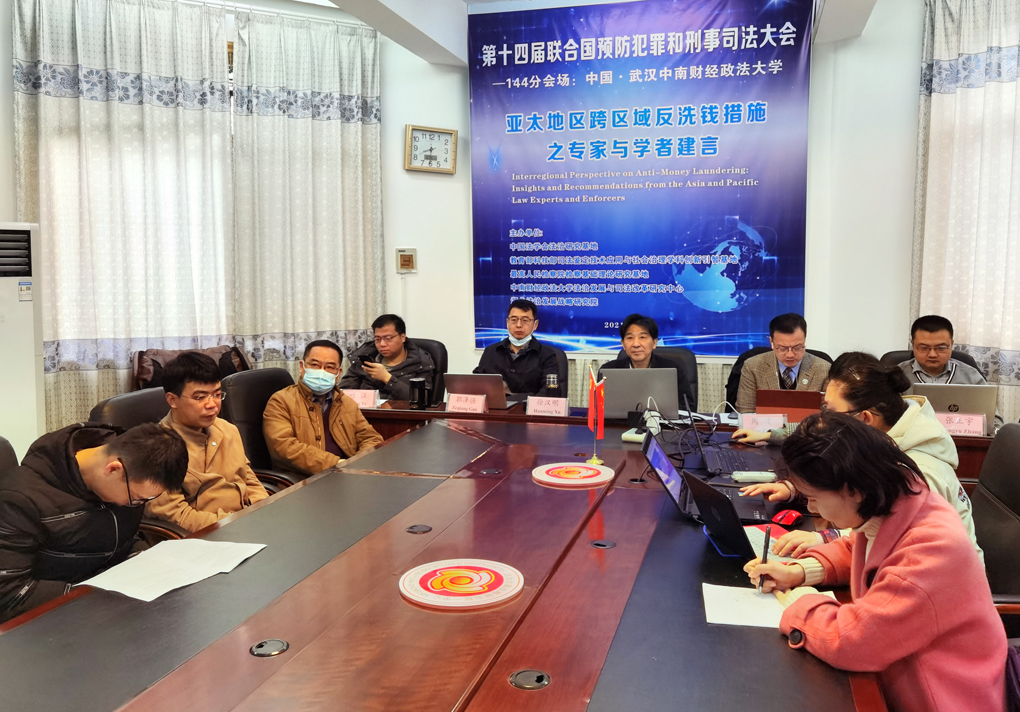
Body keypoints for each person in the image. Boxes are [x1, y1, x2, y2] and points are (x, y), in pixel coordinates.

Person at [744, 412, 1006, 712]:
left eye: (813, 497)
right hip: (900, 673)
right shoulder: (899, 499)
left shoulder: (930, 549)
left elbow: (853, 642)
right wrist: (800, 571)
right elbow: (863, 546)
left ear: (854, 491)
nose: (811, 507)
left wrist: (799, 602)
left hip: (941, 697)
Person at [735, 352, 982, 560]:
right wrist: (800, 488)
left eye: (833, 413)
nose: (826, 420)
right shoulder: (882, 436)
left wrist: (823, 538)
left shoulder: (919, 474)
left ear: (864, 418)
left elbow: (888, 535)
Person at [0, 422, 187, 622]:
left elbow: (124, 539)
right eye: (137, 499)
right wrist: (97, 597)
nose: (135, 505)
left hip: (113, 599)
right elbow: (9, 593)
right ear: (113, 469)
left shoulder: (128, 468)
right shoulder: (20, 498)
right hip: (57, 614)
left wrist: (146, 561)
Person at [147, 352, 270, 532]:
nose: (212, 404)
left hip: (245, 523)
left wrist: (263, 511)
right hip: (203, 536)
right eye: (200, 397)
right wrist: (237, 523)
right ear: (172, 400)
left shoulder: (227, 429)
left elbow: (249, 479)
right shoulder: (157, 448)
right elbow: (175, 516)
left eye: (217, 394)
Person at [264, 339, 384, 476]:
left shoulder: (345, 402)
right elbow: (284, 447)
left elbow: (371, 438)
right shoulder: (281, 401)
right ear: (302, 367)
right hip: (304, 479)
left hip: (348, 475)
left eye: (330, 367)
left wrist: (357, 465)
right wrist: (337, 464)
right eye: (314, 365)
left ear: (338, 374)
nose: (321, 372)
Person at [899, 314, 1003, 429]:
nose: (932, 354)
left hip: (962, 438)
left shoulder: (971, 376)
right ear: (913, 345)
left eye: (941, 348)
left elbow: (994, 420)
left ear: (951, 344)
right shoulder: (896, 375)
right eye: (924, 348)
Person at [735, 313, 830, 413]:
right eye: (782, 348)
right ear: (771, 342)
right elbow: (746, 411)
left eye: (797, 347)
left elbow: (828, 414)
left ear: (804, 340)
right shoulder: (753, 367)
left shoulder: (824, 370)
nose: (790, 355)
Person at [597, 313, 695, 408]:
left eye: (642, 337)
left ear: (654, 343)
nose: (636, 344)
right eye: (630, 338)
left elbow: (689, 408)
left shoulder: (673, 369)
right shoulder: (608, 371)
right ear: (623, 344)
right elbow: (599, 408)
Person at [474, 299, 564, 396]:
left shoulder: (547, 355)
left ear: (535, 325)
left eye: (525, 320)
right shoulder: (491, 352)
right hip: (498, 406)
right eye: (514, 320)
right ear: (507, 322)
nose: (519, 325)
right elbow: (477, 384)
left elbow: (550, 391)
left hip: (530, 406)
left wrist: (515, 398)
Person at [338, 314, 436, 402]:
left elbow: (421, 399)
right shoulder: (364, 359)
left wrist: (387, 378)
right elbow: (342, 392)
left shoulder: (420, 362)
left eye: (388, 338)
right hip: (366, 413)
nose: (382, 344)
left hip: (402, 414)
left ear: (402, 337)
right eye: (377, 339)